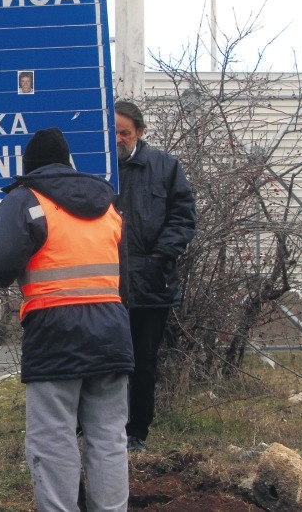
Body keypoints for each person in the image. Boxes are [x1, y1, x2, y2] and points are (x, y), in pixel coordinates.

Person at [0, 127, 133, 512]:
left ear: (29, 166)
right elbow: (124, 276)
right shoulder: (108, 203)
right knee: (110, 435)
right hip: (112, 329)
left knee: (53, 437)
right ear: (68, 163)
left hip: (54, 331)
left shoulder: (26, 198)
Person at [114, 100, 197, 452]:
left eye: (125, 132)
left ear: (140, 132)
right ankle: (98, 430)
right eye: (112, 132)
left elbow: (184, 216)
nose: (118, 139)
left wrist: (161, 254)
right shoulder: (95, 168)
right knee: (104, 363)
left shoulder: (165, 167)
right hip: (105, 284)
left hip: (152, 283)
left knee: (143, 363)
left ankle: (137, 433)